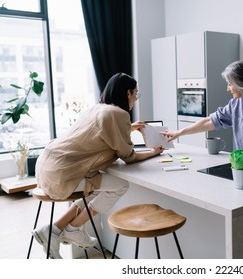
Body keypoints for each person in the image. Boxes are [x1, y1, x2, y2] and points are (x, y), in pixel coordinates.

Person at [32, 72, 164, 259]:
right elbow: (128, 156)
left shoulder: (98, 108)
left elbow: (99, 131)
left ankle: (54, 230)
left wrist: (129, 127)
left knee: (97, 188)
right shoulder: (119, 114)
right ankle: (73, 229)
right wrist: (153, 152)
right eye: (136, 93)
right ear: (127, 93)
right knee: (119, 186)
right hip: (65, 175)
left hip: (48, 167)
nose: (136, 97)